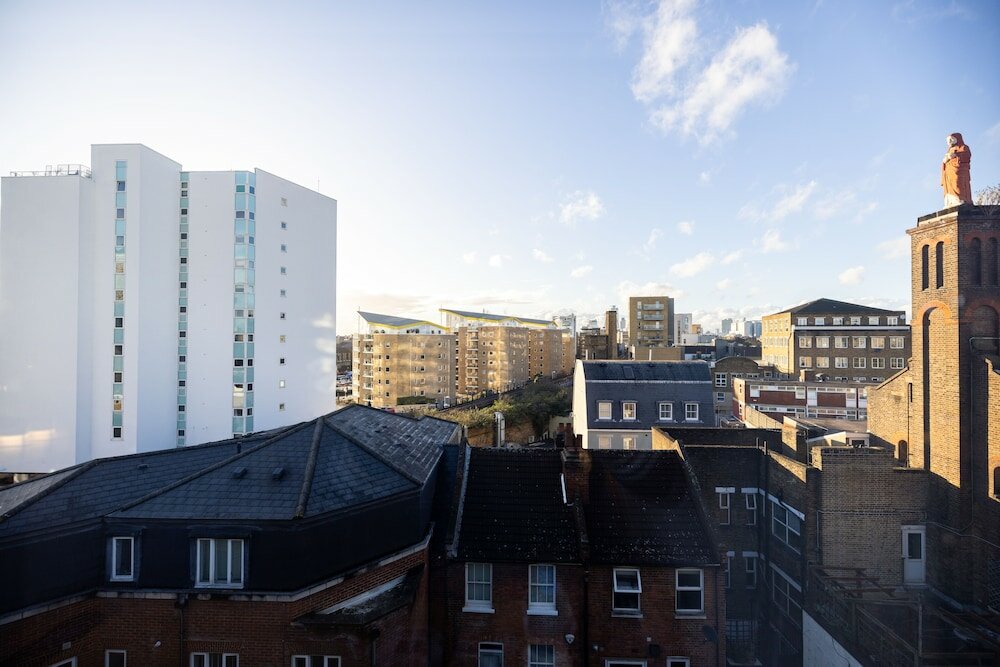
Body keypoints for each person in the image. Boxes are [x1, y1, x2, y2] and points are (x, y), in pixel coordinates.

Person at [941, 132, 972, 207]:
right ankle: (951, 201)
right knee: (949, 185)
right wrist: (945, 160)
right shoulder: (949, 150)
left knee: (958, 183)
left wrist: (956, 155)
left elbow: (967, 156)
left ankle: (961, 199)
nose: (949, 142)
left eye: (951, 139)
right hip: (948, 173)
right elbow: (945, 162)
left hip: (959, 171)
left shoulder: (963, 147)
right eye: (948, 140)